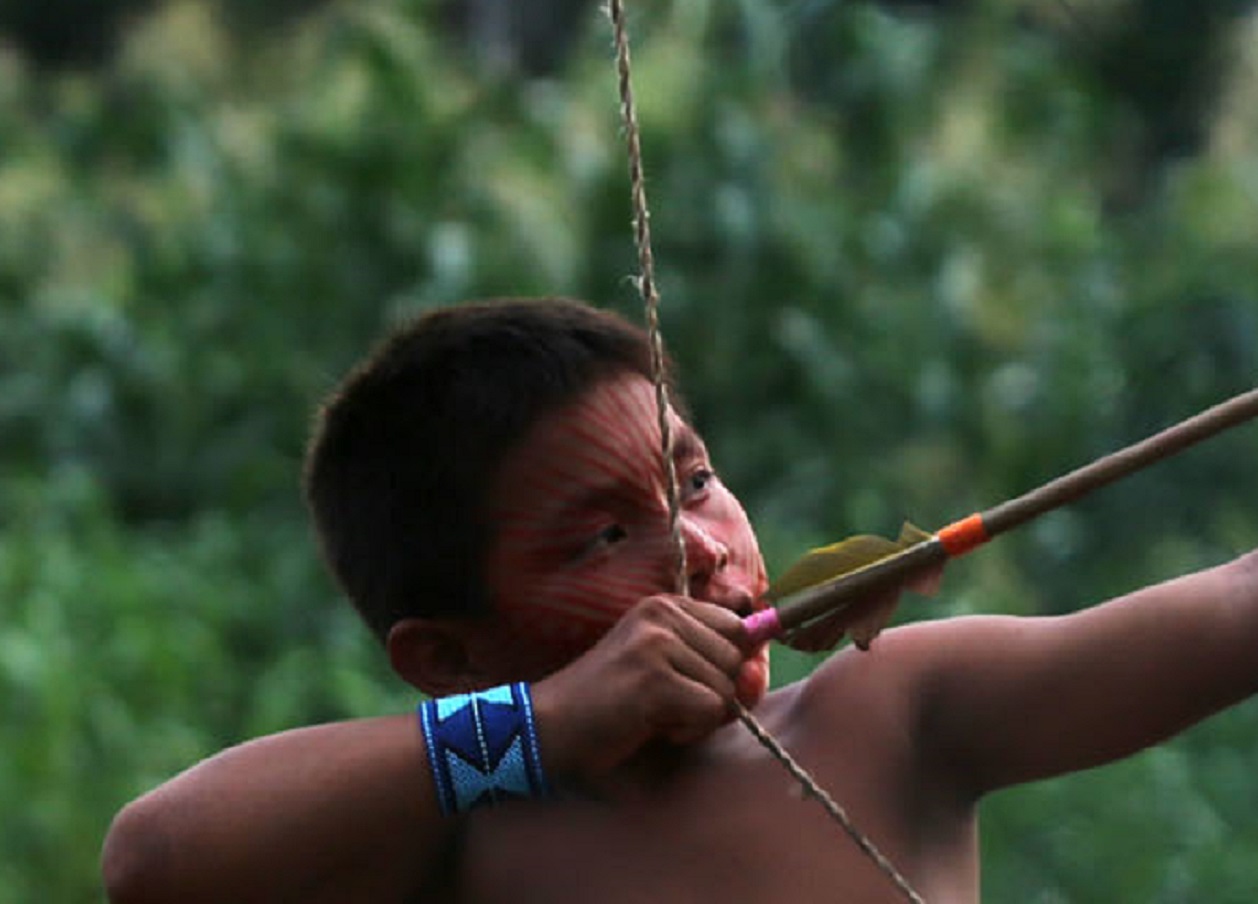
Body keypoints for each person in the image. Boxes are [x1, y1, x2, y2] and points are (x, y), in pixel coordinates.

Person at [102, 297, 1258, 903]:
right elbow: (154, 860)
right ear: (453, 657)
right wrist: (546, 726)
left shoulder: (888, 713)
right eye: (607, 533)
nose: (702, 548)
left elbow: (1235, 605)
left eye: (696, 481)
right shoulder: (462, 839)